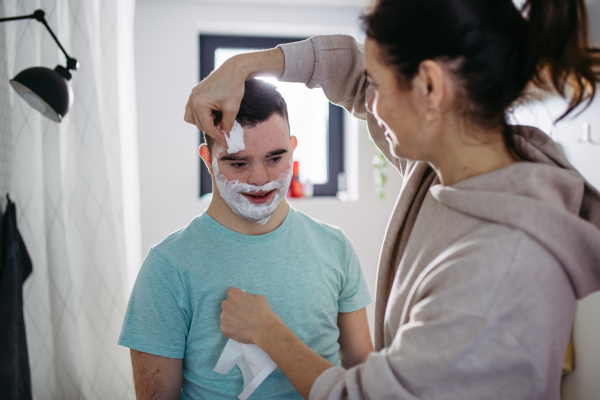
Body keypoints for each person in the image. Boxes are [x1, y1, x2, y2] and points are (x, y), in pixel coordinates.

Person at [184, 0, 600, 399]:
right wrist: (243, 65)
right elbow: (351, 71)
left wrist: (267, 332)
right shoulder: (444, 169)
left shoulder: (497, 269)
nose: (371, 103)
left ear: (431, 88)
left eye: (380, 86)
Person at [119, 79, 374, 400]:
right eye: (238, 163)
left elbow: (365, 381)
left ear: (293, 148)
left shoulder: (335, 247)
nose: (260, 179)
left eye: (275, 158)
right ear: (208, 160)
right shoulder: (167, 267)